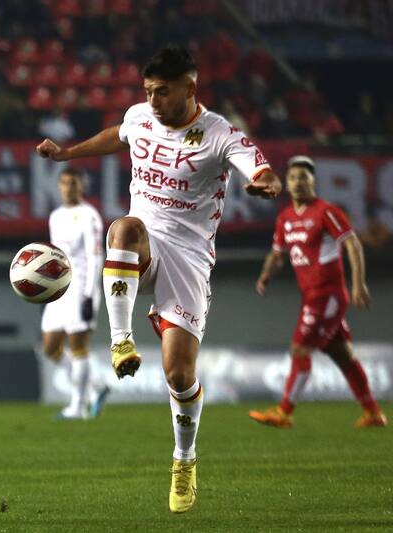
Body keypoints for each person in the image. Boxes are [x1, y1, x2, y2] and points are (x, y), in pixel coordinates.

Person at [36, 44, 281, 513]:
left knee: (179, 373)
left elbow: (259, 165)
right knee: (122, 228)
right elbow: (119, 135)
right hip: (145, 241)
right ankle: (121, 340)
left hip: (189, 256)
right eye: (148, 91)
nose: (153, 102)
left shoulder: (218, 133)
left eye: (162, 92)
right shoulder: (141, 116)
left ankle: (184, 460)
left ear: (190, 88)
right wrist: (68, 153)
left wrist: (265, 181)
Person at [249, 155, 387, 429]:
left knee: (300, 348)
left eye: (304, 177)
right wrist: (265, 276)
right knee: (342, 355)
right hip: (310, 296)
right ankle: (373, 413)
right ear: (286, 184)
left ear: (313, 181)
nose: (298, 182)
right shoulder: (285, 218)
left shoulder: (327, 211)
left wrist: (359, 283)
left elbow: (353, 245)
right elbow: (277, 255)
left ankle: (284, 412)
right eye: (293, 177)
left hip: (328, 295)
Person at [39, 167, 108, 420]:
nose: (69, 187)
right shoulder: (55, 216)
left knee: (79, 346)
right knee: (50, 347)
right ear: (58, 186)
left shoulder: (89, 216)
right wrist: (46, 288)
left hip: (81, 287)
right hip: (59, 288)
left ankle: (77, 407)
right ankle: (97, 385)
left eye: (74, 183)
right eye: (65, 183)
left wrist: (90, 293)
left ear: (82, 186)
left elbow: (95, 256)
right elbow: (54, 256)